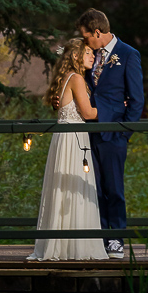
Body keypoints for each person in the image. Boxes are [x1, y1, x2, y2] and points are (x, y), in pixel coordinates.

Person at [27, 37, 107, 261]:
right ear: (75, 56)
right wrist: (116, 109)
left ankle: (62, 244)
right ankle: (75, 246)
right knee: (74, 187)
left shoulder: (66, 78)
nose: (93, 56)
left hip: (64, 138)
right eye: (88, 52)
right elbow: (89, 114)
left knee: (64, 188)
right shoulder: (77, 79)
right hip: (74, 139)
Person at [77, 8, 144, 259]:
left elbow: (136, 100)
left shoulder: (128, 55)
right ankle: (99, 237)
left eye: (86, 37)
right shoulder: (87, 54)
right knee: (93, 188)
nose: (85, 42)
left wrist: (123, 134)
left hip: (114, 135)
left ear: (97, 32)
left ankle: (116, 238)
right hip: (88, 134)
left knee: (114, 188)